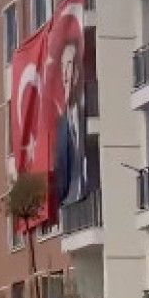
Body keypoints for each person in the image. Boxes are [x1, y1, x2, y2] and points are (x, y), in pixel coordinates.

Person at [53, 39, 87, 206]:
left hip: (84, 199)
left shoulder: (84, 113)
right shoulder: (58, 125)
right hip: (70, 205)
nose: (66, 73)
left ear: (78, 72)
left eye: (70, 64)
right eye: (63, 66)